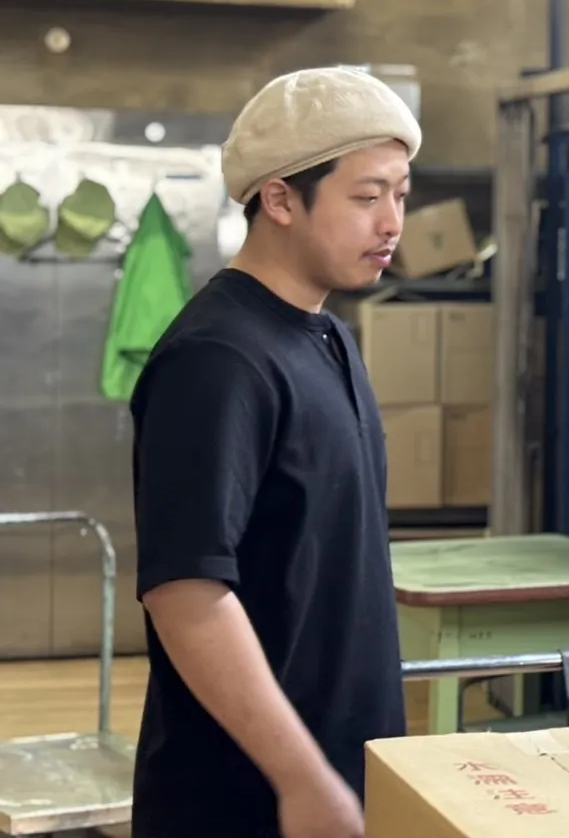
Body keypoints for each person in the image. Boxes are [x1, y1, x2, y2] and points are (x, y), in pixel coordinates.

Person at [129, 66, 422, 838]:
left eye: (400, 195)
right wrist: (302, 779)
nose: (392, 223)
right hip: (245, 800)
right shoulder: (218, 358)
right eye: (367, 197)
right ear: (282, 199)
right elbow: (186, 592)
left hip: (339, 773)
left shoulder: (329, 338)